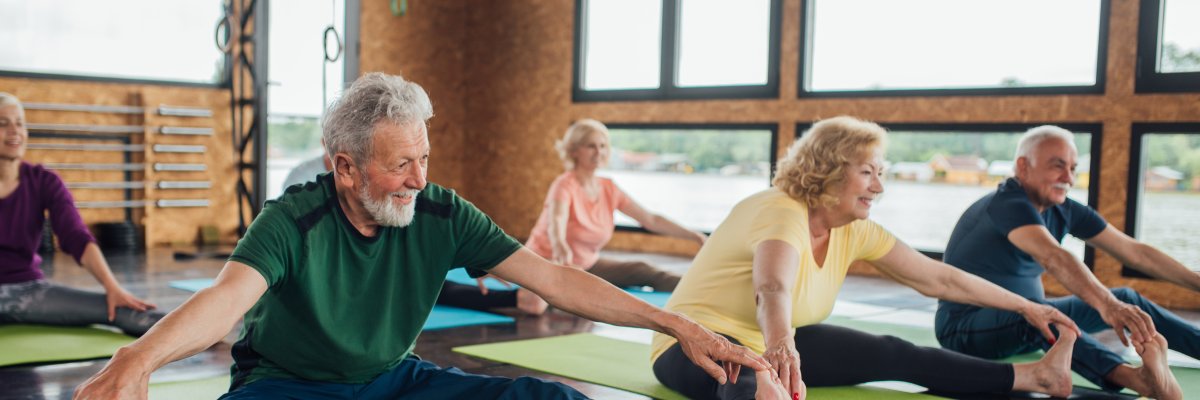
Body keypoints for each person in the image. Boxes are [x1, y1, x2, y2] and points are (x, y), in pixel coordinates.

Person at [73, 73, 768, 399]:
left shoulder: (440, 213)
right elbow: (226, 300)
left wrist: (675, 322)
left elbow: (554, 278)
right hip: (290, 387)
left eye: (424, 157)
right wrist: (139, 359)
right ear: (345, 167)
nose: (417, 177)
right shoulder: (294, 221)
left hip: (394, 381)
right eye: (399, 162)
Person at [651, 116, 1086, 400]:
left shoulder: (855, 229)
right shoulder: (779, 207)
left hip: (775, 342)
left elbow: (939, 279)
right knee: (749, 381)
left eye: (882, 173)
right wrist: (781, 350)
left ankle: (1035, 377)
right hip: (696, 344)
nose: (879, 187)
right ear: (829, 169)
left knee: (894, 351)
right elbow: (772, 287)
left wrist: (1027, 306)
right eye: (867, 172)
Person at [936, 125, 1197, 400]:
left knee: (1127, 299)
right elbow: (1053, 256)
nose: (1068, 178)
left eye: (1073, 168)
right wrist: (1107, 306)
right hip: (964, 329)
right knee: (1042, 314)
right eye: (1057, 166)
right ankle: (1138, 379)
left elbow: (1135, 253)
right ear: (1023, 166)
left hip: (1028, 317)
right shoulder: (1006, 203)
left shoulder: (1062, 208)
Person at [0, 92, 163, 337]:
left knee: (121, 309)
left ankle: (202, 333)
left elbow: (75, 235)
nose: (15, 131)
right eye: (3, 124)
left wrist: (112, 287)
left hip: (28, 291)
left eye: (20, 123)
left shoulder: (45, 181)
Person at [524, 119, 707, 292]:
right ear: (574, 151)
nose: (598, 152)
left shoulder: (608, 187)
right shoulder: (564, 184)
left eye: (602, 146)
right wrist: (560, 246)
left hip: (586, 265)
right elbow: (556, 220)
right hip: (549, 263)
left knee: (643, 270)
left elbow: (651, 220)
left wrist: (694, 236)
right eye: (591, 146)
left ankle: (700, 290)